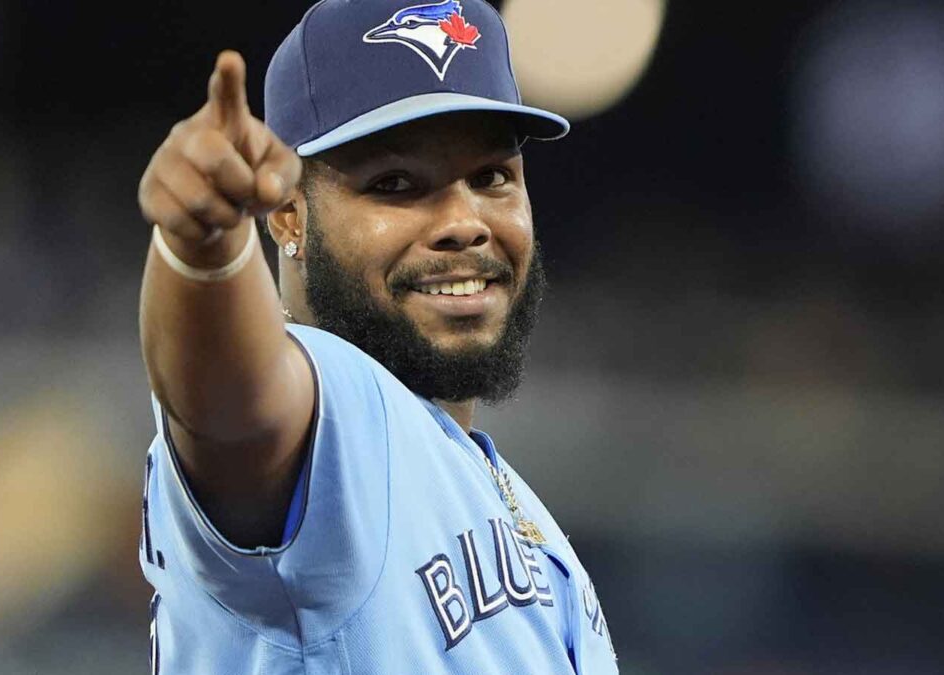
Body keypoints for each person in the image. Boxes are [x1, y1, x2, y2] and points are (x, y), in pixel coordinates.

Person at [136, 1, 618, 672]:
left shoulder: (492, 486)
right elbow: (232, 403)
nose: (465, 222)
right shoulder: (335, 422)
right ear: (287, 216)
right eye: (395, 184)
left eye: (490, 177)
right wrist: (202, 247)